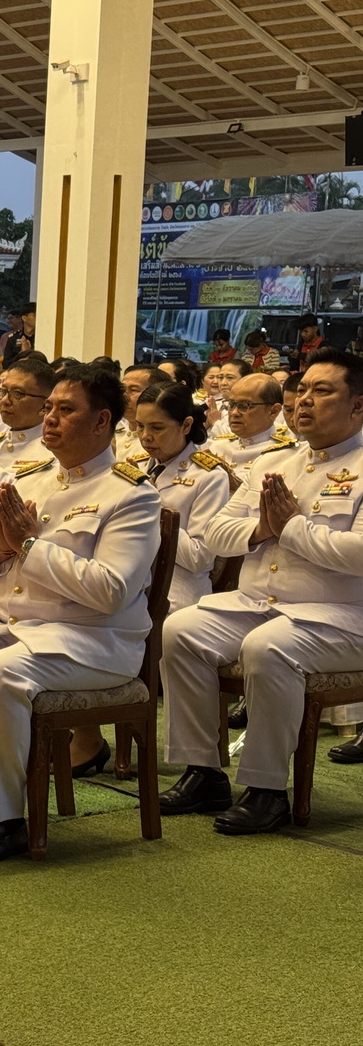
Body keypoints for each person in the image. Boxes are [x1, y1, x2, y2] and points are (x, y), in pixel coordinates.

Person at [0, 364, 161, 863]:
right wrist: (0, 551)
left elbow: (111, 591)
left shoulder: (132, 495)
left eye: (66, 410)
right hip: (11, 625)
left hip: (91, 640)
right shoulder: (31, 479)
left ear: (102, 421)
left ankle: (2, 820)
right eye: (50, 408)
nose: (51, 419)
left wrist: (30, 546)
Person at [158, 349, 363, 833]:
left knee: (268, 649)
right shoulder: (279, 463)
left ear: (358, 405)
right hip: (257, 603)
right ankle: (203, 771)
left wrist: (290, 528)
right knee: (181, 630)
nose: (305, 401)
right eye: (304, 390)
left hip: (340, 615)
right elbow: (217, 533)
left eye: (323, 390)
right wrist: (260, 532)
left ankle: (267, 789)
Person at [134, 382, 233, 612]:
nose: (145, 437)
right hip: (129, 580)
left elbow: (199, 559)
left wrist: (151, 507)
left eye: (157, 428)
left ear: (186, 425)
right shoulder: (137, 465)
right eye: (140, 426)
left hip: (175, 594)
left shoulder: (208, 476)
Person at [0, 357, 54, 483]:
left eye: (17, 393)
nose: (5, 401)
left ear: (44, 406)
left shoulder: (53, 452)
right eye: (3, 391)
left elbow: (25, 496)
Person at [203, 373, 293, 478]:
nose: (234, 413)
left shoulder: (286, 454)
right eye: (232, 405)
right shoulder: (218, 446)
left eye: (245, 406)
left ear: (273, 411)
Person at [116, 364, 172, 464]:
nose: (124, 396)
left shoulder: (159, 444)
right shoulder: (113, 435)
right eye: (123, 390)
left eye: (133, 390)